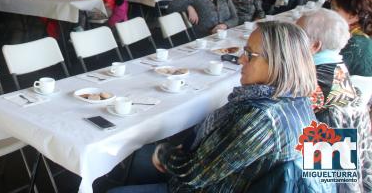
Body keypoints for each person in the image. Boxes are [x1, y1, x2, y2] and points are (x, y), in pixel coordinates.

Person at [110, 22, 321, 193]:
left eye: (250, 54)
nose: (240, 59)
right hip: (224, 174)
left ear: (278, 62)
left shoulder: (261, 117)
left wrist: (164, 153)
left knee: (137, 166)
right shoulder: (298, 99)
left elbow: (193, 173)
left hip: (207, 185)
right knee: (140, 158)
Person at [298, 9, 372, 192]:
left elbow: (328, 178)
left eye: (295, 36)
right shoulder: (337, 72)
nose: (288, 42)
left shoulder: (318, 89)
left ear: (314, 46)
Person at [330, 0, 372, 76]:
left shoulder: (353, 43)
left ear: (353, 16)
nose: (328, 13)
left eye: (334, 9)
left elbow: (328, 75)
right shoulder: (358, 37)